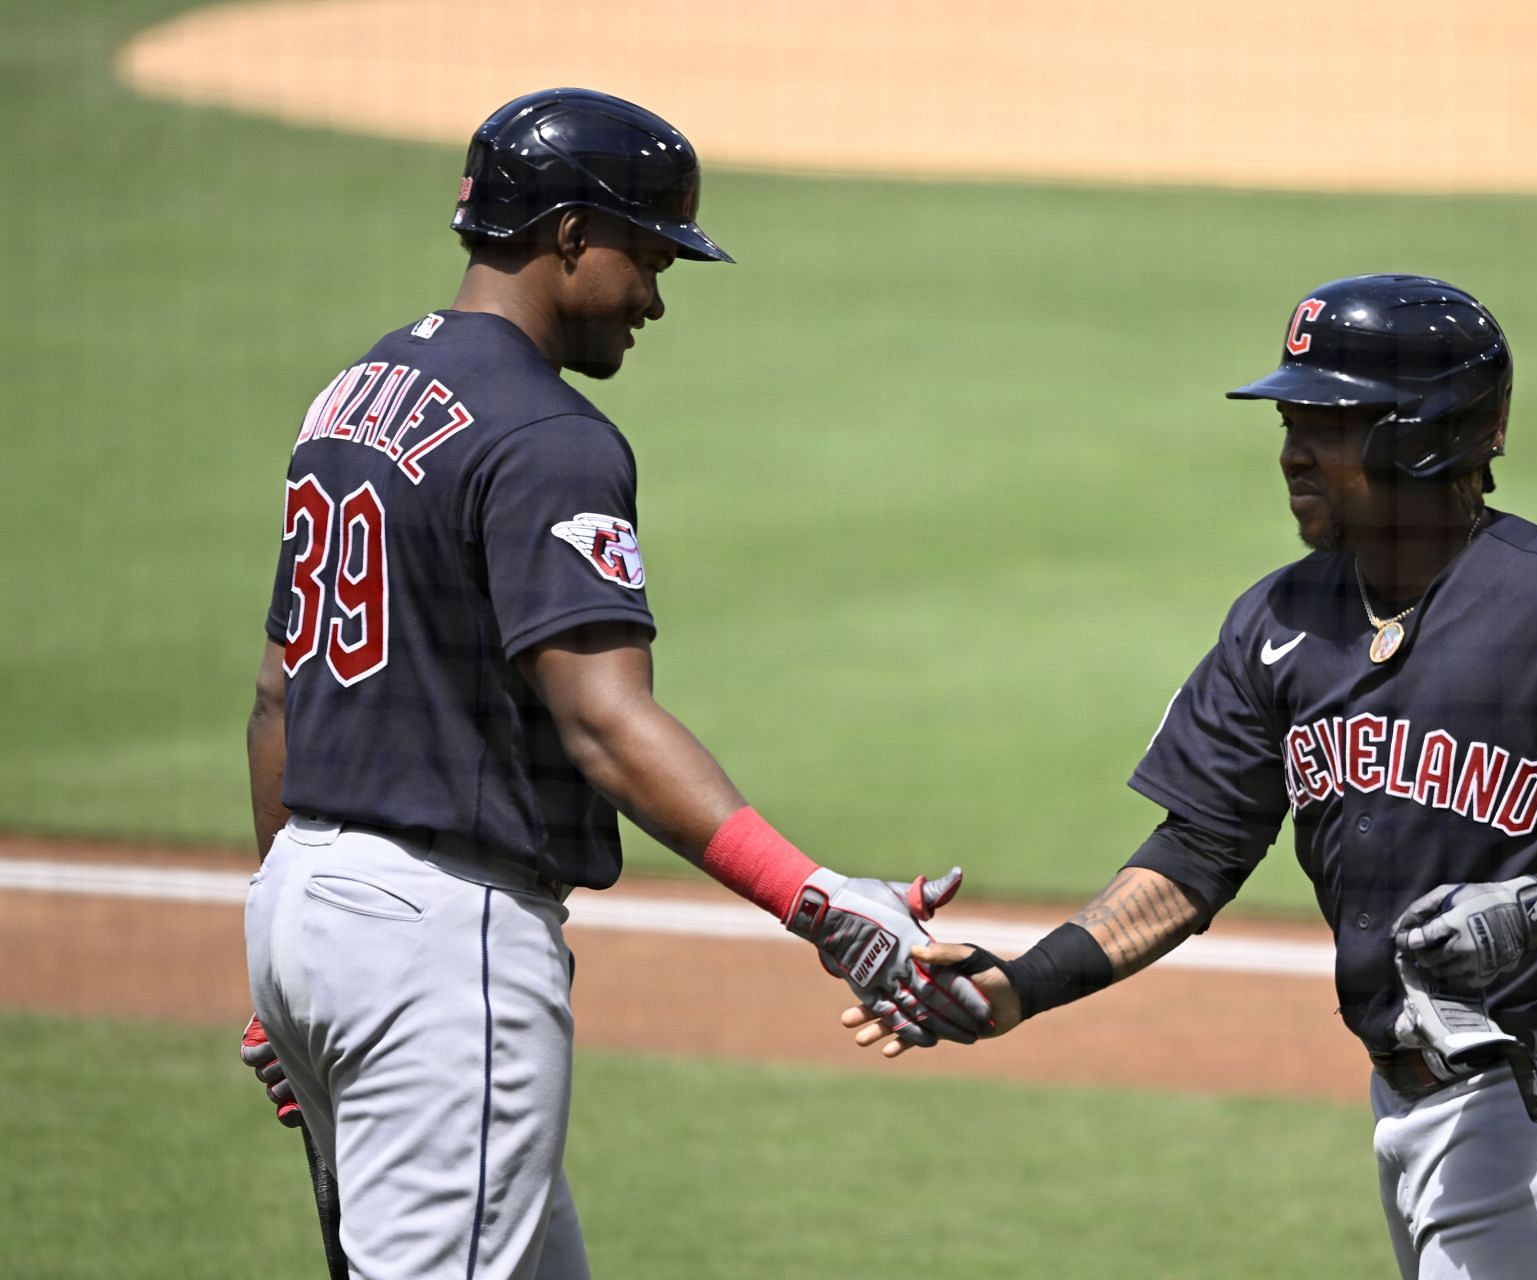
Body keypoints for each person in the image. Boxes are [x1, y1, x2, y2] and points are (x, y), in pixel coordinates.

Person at [846, 274, 1537, 1278]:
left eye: (1327, 421)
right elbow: (1199, 847)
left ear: (1423, 431)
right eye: (1291, 419)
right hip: (1413, 1095)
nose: (1291, 450)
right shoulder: (1279, 621)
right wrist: (1024, 982)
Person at [237, 87, 989, 1279]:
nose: (653, 294)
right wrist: (821, 901)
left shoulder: (353, 395)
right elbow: (604, 720)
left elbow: (282, 694)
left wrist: (288, 955)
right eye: (645, 255)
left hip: (301, 909)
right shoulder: (547, 434)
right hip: (441, 940)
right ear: (573, 235)